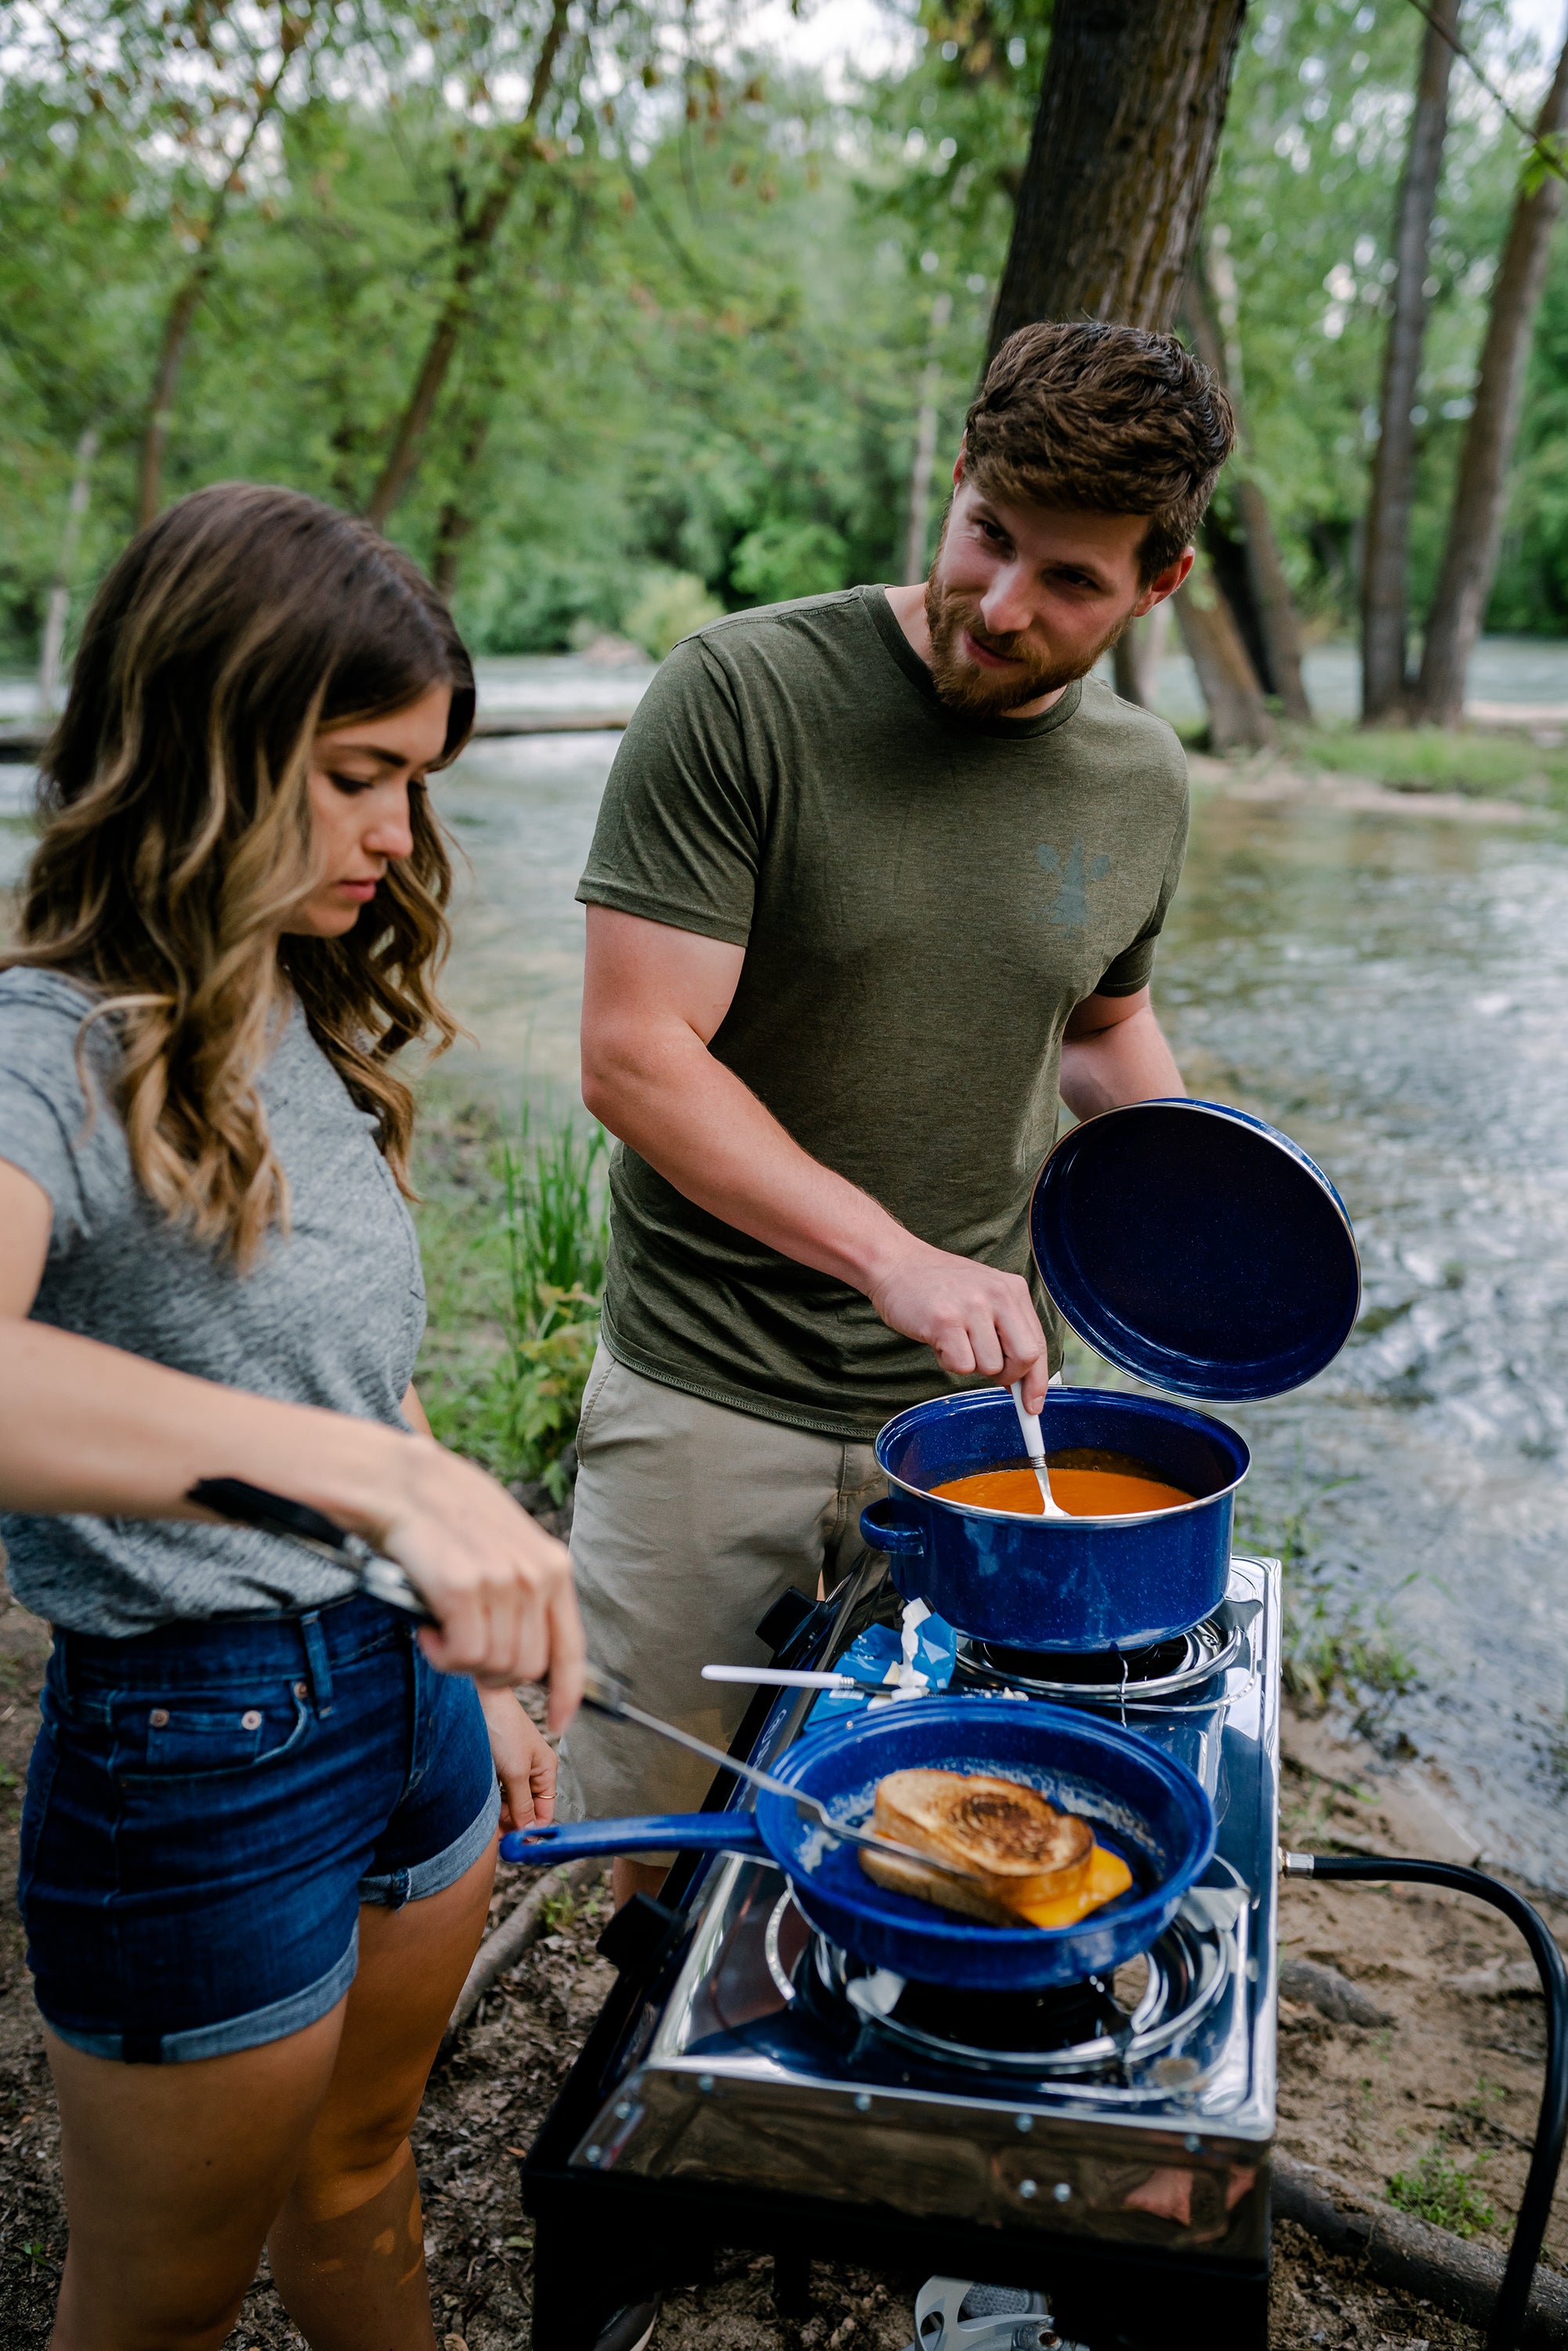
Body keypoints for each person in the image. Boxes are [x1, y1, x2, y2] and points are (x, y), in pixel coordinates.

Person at [0, 482, 584, 2351]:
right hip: (196, 1761)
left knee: (363, 2172)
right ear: (204, 739)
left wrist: (474, 1655)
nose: (396, 834)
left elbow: (345, 1376)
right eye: (354, 773)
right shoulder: (45, 1042)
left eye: (414, 778)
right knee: (159, 2304)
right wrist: (389, 1482)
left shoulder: (285, 1005)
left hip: (407, 1709)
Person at [563, 320, 1235, 1905]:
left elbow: (1104, 1031)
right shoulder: (741, 695)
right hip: (710, 1387)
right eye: (986, 535)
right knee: (660, 1839)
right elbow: (635, 1054)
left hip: (977, 1426)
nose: (997, 607)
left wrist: (1206, 1213)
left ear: (1158, 587)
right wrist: (891, 1257)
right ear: (955, 479)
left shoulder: (1139, 779)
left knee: (939, 1830)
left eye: (1067, 581)